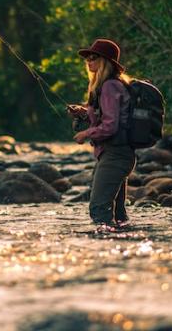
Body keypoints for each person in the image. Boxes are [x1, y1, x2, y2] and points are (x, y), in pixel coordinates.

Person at [67, 38, 136, 232]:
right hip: (116, 154)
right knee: (119, 215)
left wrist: (85, 134)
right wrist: (82, 112)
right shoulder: (108, 85)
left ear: (106, 61)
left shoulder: (109, 86)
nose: (89, 61)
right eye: (87, 58)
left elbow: (111, 126)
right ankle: (125, 244)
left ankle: (106, 248)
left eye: (94, 57)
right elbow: (106, 116)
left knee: (99, 209)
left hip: (115, 155)